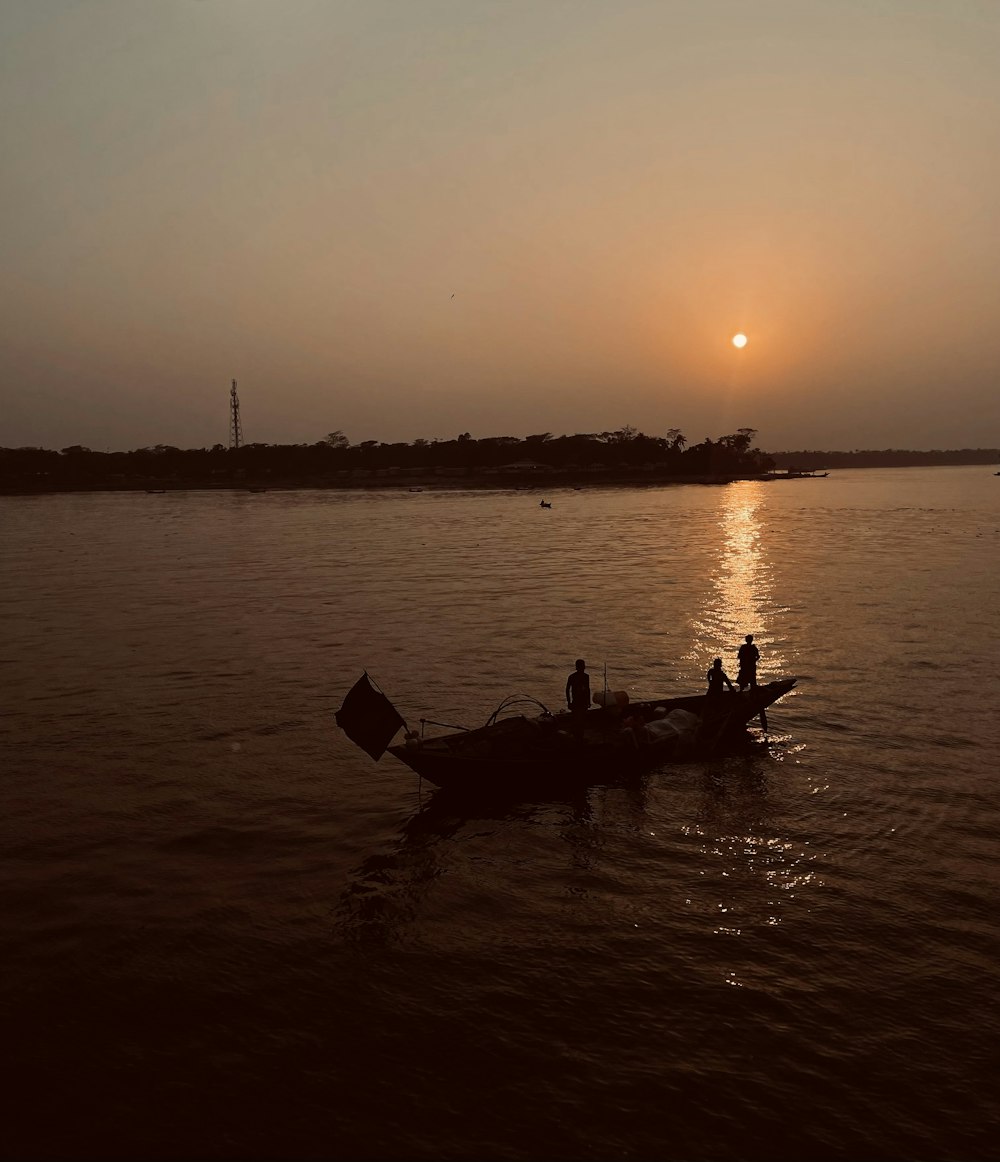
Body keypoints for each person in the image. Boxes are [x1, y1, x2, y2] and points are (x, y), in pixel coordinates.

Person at [566, 658, 591, 741]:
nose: (583, 668)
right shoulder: (572, 677)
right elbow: (567, 689)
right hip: (576, 702)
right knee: (576, 720)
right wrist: (569, 702)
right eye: (582, 666)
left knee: (581, 721)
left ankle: (580, 737)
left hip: (582, 702)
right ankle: (576, 737)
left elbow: (588, 689)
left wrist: (588, 701)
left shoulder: (586, 677)